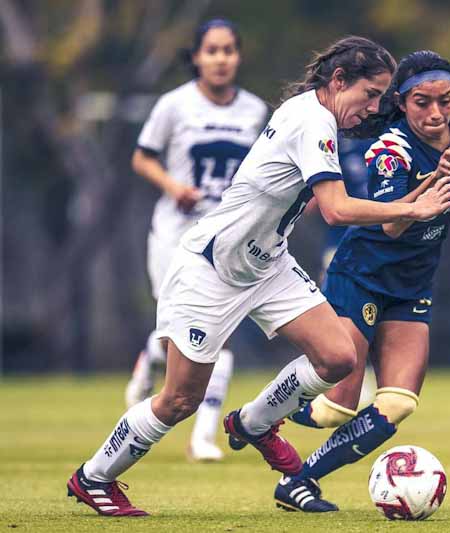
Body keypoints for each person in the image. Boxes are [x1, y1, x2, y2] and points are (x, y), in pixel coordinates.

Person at [66, 36, 450, 517]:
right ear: (339, 81)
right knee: (179, 400)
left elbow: (324, 199)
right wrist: (412, 207)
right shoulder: (311, 120)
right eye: (372, 94)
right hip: (212, 269)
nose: (375, 107)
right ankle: (94, 477)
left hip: (266, 263)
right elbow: (335, 211)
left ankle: (253, 423)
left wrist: (417, 185)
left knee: (337, 357)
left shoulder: (319, 115)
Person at [266, 50, 450, 513]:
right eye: (422, 102)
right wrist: (429, 184)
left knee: (398, 404)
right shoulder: (390, 150)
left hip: (411, 288)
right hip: (360, 278)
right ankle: (263, 417)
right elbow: (394, 225)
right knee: (334, 408)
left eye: (445, 100)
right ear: (401, 101)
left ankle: (298, 481)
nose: (436, 113)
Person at [123, 19, 267, 463]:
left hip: (223, 240)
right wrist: (173, 187)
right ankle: (151, 357)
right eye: (212, 50)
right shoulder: (174, 105)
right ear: (197, 57)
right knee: (174, 340)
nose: (221, 59)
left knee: (213, 339)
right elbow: (142, 158)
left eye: (228, 50)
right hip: (174, 233)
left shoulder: (256, 111)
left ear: (238, 56)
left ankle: (203, 436)